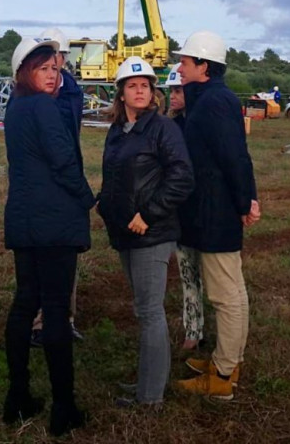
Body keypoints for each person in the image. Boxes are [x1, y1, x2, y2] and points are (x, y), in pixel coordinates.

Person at [3, 37, 94, 435]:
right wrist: (88, 197)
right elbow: (63, 159)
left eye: (56, 69)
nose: (54, 76)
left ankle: (17, 396)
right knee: (55, 309)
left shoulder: (16, 107)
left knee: (25, 303)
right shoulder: (43, 107)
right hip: (54, 222)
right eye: (44, 69)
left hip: (23, 220)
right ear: (25, 72)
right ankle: (63, 407)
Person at [98, 57, 193, 408]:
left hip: (151, 234)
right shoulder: (118, 131)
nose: (139, 91)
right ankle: (146, 383)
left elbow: (182, 177)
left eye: (145, 86)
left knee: (151, 312)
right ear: (120, 93)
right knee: (142, 310)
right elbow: (116, 179)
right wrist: (105, 206)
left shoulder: (163, 129)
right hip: (125, 233)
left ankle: (151, 397)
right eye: (132, 85)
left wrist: (149, 214)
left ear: (153, 93)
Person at [174, 31, 260, 402]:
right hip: (210, 210)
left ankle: (224, 374)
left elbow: (234, 157)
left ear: (203, 67)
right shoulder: (208, 100)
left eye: (185, 62)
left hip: (216, 212)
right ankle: (228, 361)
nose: (179, 67)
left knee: (226, 295)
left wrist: (246, 202)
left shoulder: (215, 103)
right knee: (230, 291)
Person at [30, 28, 85, 345]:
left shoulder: (72, 91)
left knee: (67, 252)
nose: (53, 67)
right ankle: (39, 323)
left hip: (66, 178)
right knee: (39, 253)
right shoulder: (30, 93)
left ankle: (64, 319)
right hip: (40, 183)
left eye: (56, 60)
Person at [166, 63, 203, 351]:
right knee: (188, 274)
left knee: (210, 277)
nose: (174, 96)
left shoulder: (203, 123)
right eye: (171, 91)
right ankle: (193, 331)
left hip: (203, 209)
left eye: (178, 90)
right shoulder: (169, 127)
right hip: (180, 212)